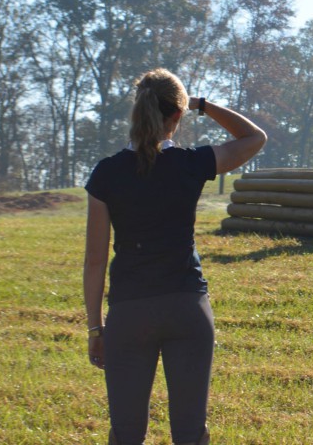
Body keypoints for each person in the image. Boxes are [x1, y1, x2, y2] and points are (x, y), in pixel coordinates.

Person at [83, 67, 267, 445]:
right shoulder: (190, 163)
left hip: (129, 313)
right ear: (177, 116)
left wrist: (95, 327)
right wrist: (202, 104)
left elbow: (95, 261)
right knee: (190, 434)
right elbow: (254, 138)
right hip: (187, 308)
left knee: (126, 434)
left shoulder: (106, 174)